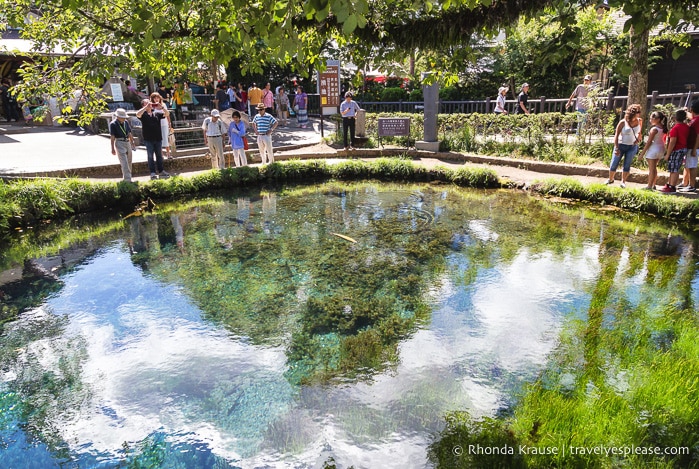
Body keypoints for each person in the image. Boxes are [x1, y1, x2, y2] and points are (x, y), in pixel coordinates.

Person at [605, 104, 642, 188]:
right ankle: (610, 179)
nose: (639, 114)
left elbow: (640, 132)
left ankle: (623, 181)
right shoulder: (623, 122)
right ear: (632, 113)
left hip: (632, 146)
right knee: (614, 163)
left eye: (639, 112)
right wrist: (617, 148)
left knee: (627, 164)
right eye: (637, 112)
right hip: (621, 145)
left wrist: (638, 138)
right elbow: (616, 135)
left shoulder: (639, 121)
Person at [136, 95, 171, 180]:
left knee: (159, 156)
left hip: (158, 138)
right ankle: (152, 172)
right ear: (143, 105)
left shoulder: (157, 113)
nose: (149, 104)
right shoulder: (143, 115)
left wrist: (162, 107)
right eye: (146, 103)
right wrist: (145, 108)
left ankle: (161, 170)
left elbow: (167, 114)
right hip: (148, 139)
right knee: (150, 156)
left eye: (149, 102)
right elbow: (137, 114)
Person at [660, 109, 690, 193]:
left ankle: (672, 186)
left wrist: (667, 154)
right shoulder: (686, 127)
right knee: (675, 167)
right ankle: (670, 184)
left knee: (674, 169)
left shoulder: (675, 128)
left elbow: (672, 142)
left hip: (676, 149)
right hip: (683, 148)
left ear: (675, 118)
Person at [637, 111, 667, 190]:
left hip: (654, 149)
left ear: (657, 119)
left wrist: (642, 154)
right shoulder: (663, 127)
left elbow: (649, 142)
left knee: (651, 169)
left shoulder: (654, 129)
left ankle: (649, 186)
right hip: (661, 149)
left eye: (651, 118)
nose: (650, 120)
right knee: (654, 168)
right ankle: (653, 184)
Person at [109, 108, 137, 182]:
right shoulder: (113, 124)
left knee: (129, 161)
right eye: (122, 117)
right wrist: (112, 148)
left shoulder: (126, 123)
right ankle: (128, 180)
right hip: (119, 142)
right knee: (124, 162)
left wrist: (132, 142)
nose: (124, 118)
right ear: (118, 117)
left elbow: (129, 133)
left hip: (127, 142)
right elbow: (112, 137)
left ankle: (128, 177)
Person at [680, 99, 699, 193]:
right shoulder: (695, 119)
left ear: (692, 109)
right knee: (688, 165)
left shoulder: (697, 121)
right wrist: (686, 111)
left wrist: (695, 149)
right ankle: (685, 182)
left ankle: (692, 185)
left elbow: (698, 136)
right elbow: (691, 116)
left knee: (692, 166)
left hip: (693, 147)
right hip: (690, 147)